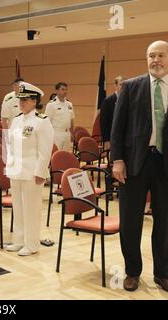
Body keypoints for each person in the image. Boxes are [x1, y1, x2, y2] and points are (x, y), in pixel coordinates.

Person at [111, 40, 168, 292]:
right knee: (131, 220)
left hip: (165, 164)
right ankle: (132, 271)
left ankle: (163, 273)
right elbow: (117, 128)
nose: (156, 60)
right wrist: (117, 160)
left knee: (165, 221)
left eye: (161, 55)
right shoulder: (131, 87)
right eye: (151, 55)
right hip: (134, 163)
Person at [5, 82, 54, 256]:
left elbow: (45, 150)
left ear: (35, 101)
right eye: (20, 99)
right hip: (16, 170)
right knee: (18, 208)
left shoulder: (42, 121)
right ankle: (19, 240)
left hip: (32, 173)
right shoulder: (17, 120)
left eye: (26, 99)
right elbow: (10, 145)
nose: (22, 102)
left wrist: (40, 172)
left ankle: (32, 244)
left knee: (31, 209)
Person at [44, 82, 74, 151]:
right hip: (57, 134)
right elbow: (47, 122)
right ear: (57, 91)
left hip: (67, 134)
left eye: (66, 89)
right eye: (62, 89)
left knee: (66, 156)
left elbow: (71, 120)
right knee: (56, 155)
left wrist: (72, 133)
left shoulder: (69, 104)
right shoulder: (51, 105)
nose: (65, 91)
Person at [100, 75, 125, 150]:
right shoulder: (108, 101)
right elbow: (103, 122)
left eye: (124, 85)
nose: (123, 87)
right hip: (112, 137)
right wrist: (106, 140)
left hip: (125, 138)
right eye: (121, 84)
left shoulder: (128, 100)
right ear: (115, 86)